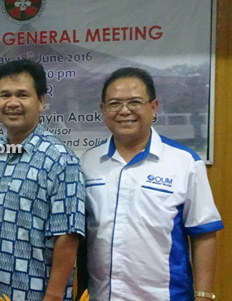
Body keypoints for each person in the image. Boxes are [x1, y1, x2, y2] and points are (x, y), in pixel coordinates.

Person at [79, 67, 223, 300]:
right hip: (101, 296)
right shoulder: (87, 163)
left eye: (135, 102)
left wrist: (204, 294)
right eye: (114, 103)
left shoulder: (184, 162)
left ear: (153, 107)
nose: (125, 111)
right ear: (103, 110)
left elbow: (203, 233)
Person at [0, 59, 85, 301]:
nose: (13, 103)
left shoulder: (61, 160)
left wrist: (53, 297)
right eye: (4, 95)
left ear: (41, 101)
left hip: (35, 294)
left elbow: (68, 237)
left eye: (23, 95)